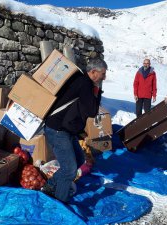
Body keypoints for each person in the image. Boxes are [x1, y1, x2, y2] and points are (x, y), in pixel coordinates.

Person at [42, 58, 107, 202]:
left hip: (66, 129)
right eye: (103, 73)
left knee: (78, 159)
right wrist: (97, 90)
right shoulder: (85, 84)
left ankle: (49, 186)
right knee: (69, 169)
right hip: (58, 130)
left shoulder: (83, 81)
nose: (104, 77)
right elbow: (91, 111)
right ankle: (61, 204)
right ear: (93, 72)